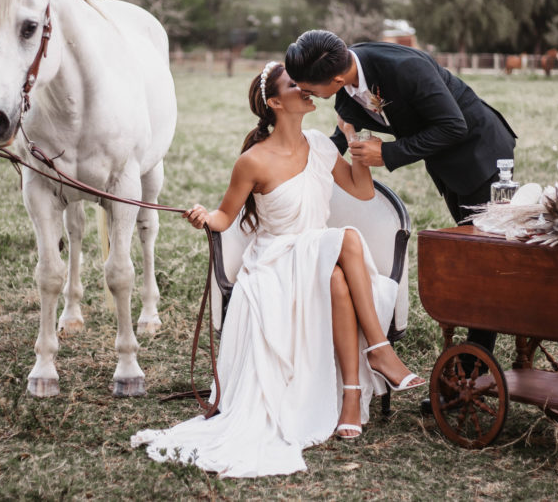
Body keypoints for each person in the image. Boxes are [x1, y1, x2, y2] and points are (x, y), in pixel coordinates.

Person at [131, 62, 424, 478]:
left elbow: (361, 191)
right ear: (274, 102)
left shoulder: (320, 145)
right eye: (294, 84)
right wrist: (204, 216)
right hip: (276, 261)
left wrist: (356, 145)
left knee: (338, 278)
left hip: (316, 254)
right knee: (347, 240)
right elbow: (224, 216)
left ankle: (351, 398)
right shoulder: (252, 161)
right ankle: (380, 351)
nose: (305, 88)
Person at [284, 30, 517, 367]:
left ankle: (474, 363)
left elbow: (454, 125)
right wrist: (290, 168)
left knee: (484, 257)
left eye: (309, 89)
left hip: (482, 156)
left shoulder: (405, 68)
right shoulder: (345, 76)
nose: (307, 94)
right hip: (446, 164)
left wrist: (388, 153)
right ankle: (476, 356)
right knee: (475, 251)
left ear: (335, 80)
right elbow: (341, 136)